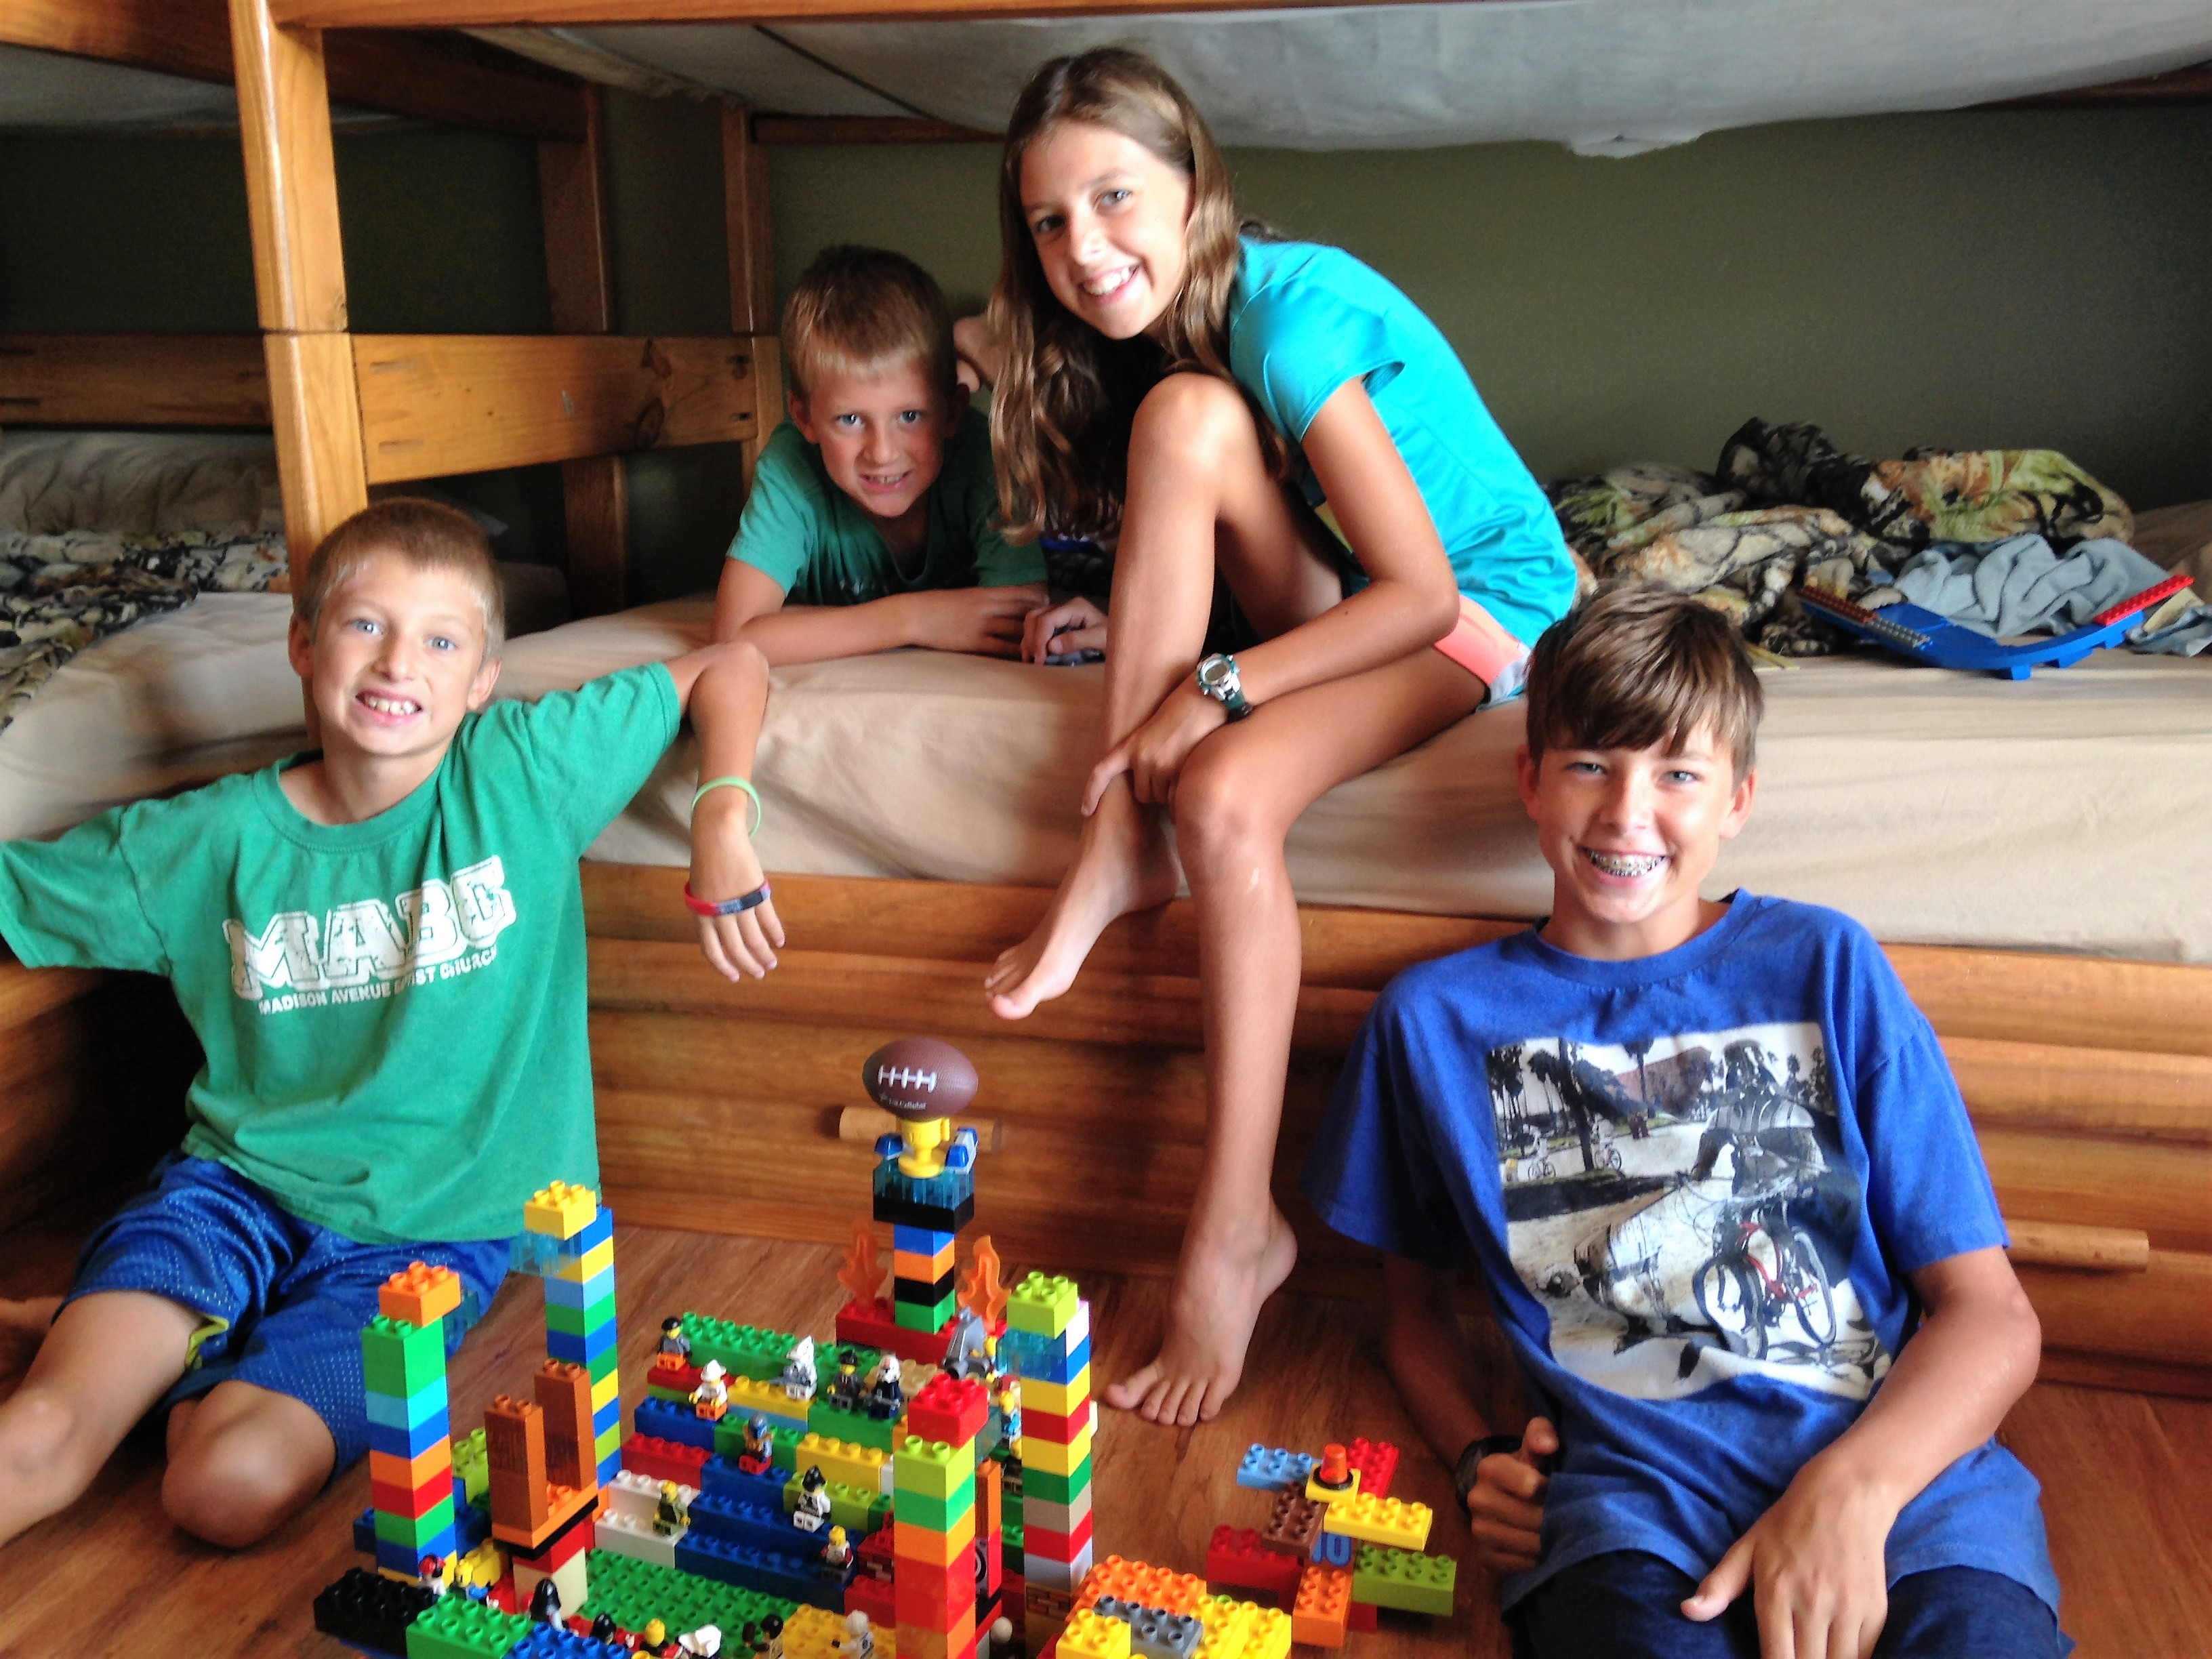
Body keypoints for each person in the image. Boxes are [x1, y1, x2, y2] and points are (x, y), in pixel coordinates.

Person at [960, 47, 1576, 1424]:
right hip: (1356, 589)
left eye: (1114, 198)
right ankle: (1114, 839)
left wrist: (1220, 687)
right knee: (1181, 417)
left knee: (1226, 795)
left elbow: (1420, 599)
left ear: (1195, 185)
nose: (1083, 249)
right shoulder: (1184, 340)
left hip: (1481, 604)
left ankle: (1237, 1225)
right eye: (1049, 222)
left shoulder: (1288, 325)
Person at [1304, 586, 2064, 1658]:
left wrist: (1850, 1492)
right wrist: (1477, 1459)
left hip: (1906, 1493)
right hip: (1632, 1511)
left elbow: (1992, 1315)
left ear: (1737, 800)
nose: (1627, 813)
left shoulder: (1828, 964)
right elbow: (1412, 1315)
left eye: (1678, 774)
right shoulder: (1432, 1023)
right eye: (1589, 765)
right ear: (1529, 779)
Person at [0, 498, 770, 1551]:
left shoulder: (522, 772)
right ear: (303, 644)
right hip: (233, 1197)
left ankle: (154, 1351)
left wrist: (723, 815)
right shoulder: (207, 839)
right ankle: (138, 1340)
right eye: (366, 625)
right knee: (41, 1435)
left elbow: (733, 664)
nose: (399, 662)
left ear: (484, 679)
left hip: (425, 1245)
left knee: (222, 1487)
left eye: (441, 641)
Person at [699, 245, 1051, 984]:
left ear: (951, 410)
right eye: (850, 419)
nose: (882, 452)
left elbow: (1021, 613)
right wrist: (914, 619)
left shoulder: (984, 458)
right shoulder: (791, 468)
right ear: (804, 416)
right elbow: (734, 636)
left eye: (910, 416)